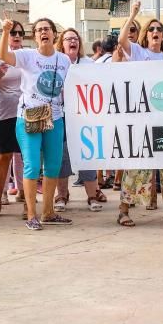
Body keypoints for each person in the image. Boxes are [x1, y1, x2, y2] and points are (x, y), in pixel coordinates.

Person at [115, 2, 163, 226]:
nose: (156, 32)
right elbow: (121, 41)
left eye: (159, 29)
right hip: (142, 121)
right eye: (152, 29)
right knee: (137, 166)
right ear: (146, 35)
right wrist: (132, 15)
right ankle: (123, 210)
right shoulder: (138, 52)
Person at [0, 17, 72, 231]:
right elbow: (3, 55)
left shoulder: (64, 60)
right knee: (31, 165)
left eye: (47, 29)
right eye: (38, 30)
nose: (43, 32)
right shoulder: (27, 56)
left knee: (53, 165)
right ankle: (31, 214)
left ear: (54, 34)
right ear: (35, 36)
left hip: (55, 116)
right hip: (29, 115)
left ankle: (48, 212)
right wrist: (5, 32)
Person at [54, 28, 104, 213]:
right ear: (62, 43)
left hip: (84, 117)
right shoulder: (56, 62)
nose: (72, 41)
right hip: (61, 115)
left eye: (75, 39)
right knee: (62, 156)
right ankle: (62, 195)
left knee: (87, 154)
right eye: (68, 39)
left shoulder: (88, 63)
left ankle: (92, 196)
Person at [0, 20, 24, 217]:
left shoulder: (28, 56)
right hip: (5, 113)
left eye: (20, 32)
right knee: (3, 157)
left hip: (26, 113)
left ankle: (25, 198)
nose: (17, 35)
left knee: (27, 157)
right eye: (12, 33)